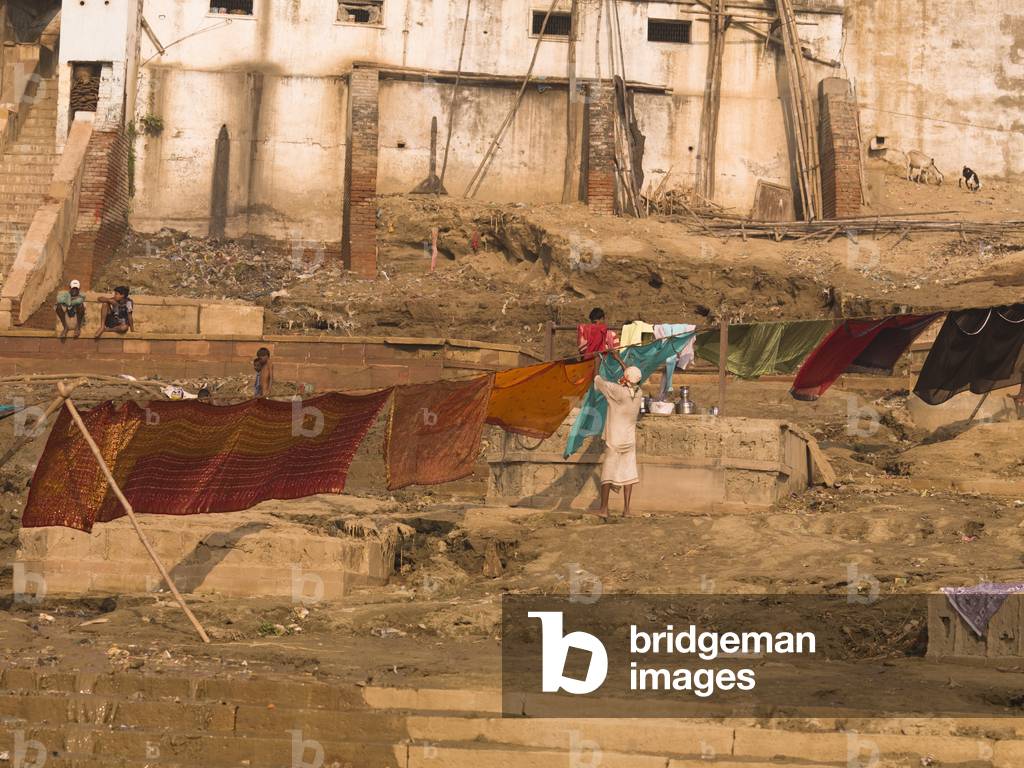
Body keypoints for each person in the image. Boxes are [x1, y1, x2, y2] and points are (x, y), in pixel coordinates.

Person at [594, 362, 643, 520]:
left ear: (625, 378)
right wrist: (621, 362)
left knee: (607, 473)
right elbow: (630, 380)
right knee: (628, 472)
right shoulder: (638, 393)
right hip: (629, 440)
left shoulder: (618, 391)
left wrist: (596, 362)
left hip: (614, 439)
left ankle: (604, 508)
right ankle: (627, 509)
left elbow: (598, 381)